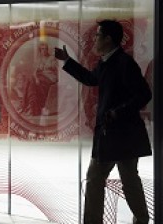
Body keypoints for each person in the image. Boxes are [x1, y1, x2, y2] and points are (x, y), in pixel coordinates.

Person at [55, 19, 152, 224]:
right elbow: (91, 79)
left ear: (108, 39)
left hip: (121, 135)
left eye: (98, 35)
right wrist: (67, 61)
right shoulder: (107, 61)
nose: (94, 39)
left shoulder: (125, 63)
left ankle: (140, 220)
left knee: (119, 181)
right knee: (106, 180)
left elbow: (144, 94)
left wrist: (118, 113)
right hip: (112, 136)